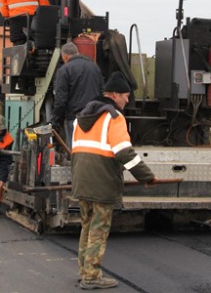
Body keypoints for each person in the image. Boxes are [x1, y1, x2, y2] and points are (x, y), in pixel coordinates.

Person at [71, 71, 156, 290]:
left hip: (82, 181)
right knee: (98, 230)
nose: (127, 100)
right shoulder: (114, 117)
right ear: (115, 94)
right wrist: (146, 176)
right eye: (126, 96)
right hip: (102, 183)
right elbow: (124, 152)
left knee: (87, 227)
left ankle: (84, 271)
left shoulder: (80, 117)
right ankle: (91, 277)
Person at [51, 42, 104, 148]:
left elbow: (61, 99)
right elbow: (102, 91)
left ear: (65, 56)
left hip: (74, 117)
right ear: (77, 52)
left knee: (75, 151)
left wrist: (55, 120)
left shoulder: (64, 70)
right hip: (94, 117)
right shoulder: (94, 67)